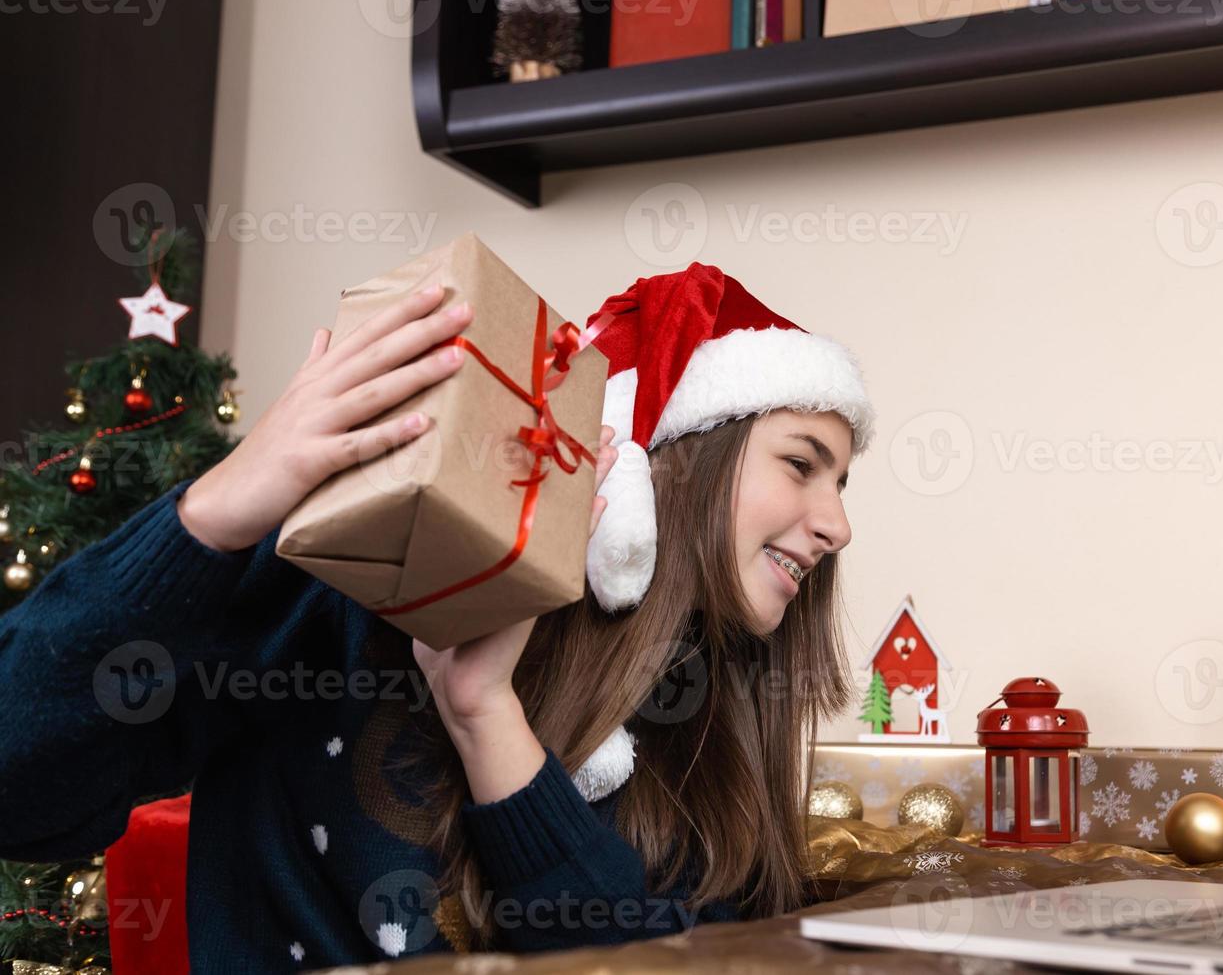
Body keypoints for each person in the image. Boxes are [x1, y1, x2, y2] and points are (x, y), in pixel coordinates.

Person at [0, 262, 875, 970]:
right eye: (803, 464)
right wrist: (215, 511)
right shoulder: (343, 586)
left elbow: (666, 961)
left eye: (840, 481)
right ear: (677, 467)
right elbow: (19, 783)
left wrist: (487, 721)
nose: (838, 523)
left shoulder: (711, 716)